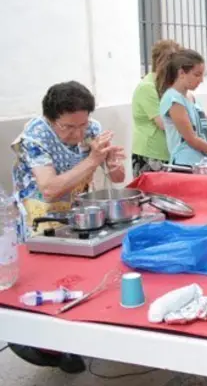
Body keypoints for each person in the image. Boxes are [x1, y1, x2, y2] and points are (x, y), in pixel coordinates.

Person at [9, 80, 126, 373]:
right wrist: (92, 159)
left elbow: (118, 178)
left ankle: (75, 341)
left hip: (78, 216)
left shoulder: (92, 129)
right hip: (41, 217)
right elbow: (49, 189)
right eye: (68, 128)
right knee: (43, 281)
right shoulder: (36, 136)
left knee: (78, 280)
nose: (78, 134)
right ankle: (40, 345)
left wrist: (111, 161)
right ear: (51, 119)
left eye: (82, 125)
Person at [131, 39, 181, 177]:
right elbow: (163, 123)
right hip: (150, 153)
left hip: (168, 152)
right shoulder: (147, 87)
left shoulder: (167, 86)